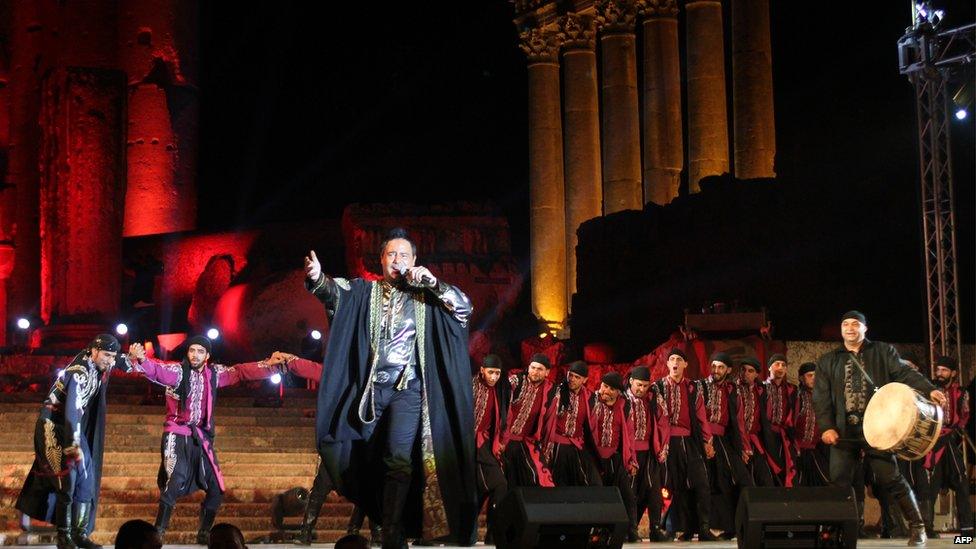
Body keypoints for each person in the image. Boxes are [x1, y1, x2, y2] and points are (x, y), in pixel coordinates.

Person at [303, 227, 477, 549]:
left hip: (407, 392)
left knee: (399, 460)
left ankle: (391, 532)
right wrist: (317, 279)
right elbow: (335, 293)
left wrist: (435, 284)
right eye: (391, 254)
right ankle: (377, 518)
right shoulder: (365, 292)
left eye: (404, 255)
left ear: (414, 261)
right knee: (357, 453)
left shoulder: (426, 298)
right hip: (369, 392)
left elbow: (464, 308)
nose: (397, 260)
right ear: (381, 259)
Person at [126, 337, 286, 545]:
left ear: (207, 356)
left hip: (201, 437)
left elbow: (240, 372)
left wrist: (268, 366)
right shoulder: (177, 372)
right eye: (192, 350)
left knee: (217, 487)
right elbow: (156, 370)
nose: (194, 354)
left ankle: (204, 532)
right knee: (175, 480)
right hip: (177, 433)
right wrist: (141, 359)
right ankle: (159, 530)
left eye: (200, 351)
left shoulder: (214, 375)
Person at [814, 310, 946, 546]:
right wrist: (826, 427)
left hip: (879, 428)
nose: (850, 328)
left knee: (891, 478)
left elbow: (905, 373)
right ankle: (835, 532)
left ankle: (918, 527)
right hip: (844, 430)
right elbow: (821, 398)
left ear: (865, 328)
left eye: (856, 324)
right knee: (839, 481)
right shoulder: (827, 361)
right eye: (845, 324)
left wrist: (929, 389)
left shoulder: (883, 352)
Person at [15, 334, 132, 549]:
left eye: (112, 356)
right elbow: (71, 411)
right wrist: (74, 444)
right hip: (54, 428)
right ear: (93, 351)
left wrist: (132, 358)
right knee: (67, 480)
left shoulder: (98, 364)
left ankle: (80, 534)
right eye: (106, 355)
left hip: (72, 429)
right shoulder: (78, 373)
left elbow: (119, 361)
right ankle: (64, 536)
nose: (109, 360)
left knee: (86, 481)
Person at [655, 348, 717, 541]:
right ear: (667, 364)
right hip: (668, 442)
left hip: (690, 441)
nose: (675, 362)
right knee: (674, 486)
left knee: (701, 483)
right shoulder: (658, 387)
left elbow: (701, 417)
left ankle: (704, 528)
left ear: (685, 365)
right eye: (671, 359)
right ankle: (675, 529)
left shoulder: (693, 387)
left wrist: (707, 441)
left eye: (679, 359)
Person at [700, 352, 752, 539]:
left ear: (728, 370)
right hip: (705, 439)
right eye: (714, 366)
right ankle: (712, 526)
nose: (716, 370)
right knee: (713, 481)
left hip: (725, 440)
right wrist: (706, 440)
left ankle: (737, 525)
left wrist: (744, 447)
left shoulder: (732, 390)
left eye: (721, 367)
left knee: (742, 479)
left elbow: (738, 421)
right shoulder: (701, 386)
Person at [922, 355, 973, 539]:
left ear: (953, 373)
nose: (940, 373)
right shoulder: (930, 389)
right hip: (934, 442)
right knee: (931, 487)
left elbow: (964, 415)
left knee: (961, 484)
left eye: (944, 370)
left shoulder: (961, 392)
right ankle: (926, 529)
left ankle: (966, 533)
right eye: (938, 370)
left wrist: (956, 428)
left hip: (950, 440)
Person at [589, 372, 639, 542]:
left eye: (611, 389)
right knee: (599, 494)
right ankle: (598, 532)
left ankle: (632, 531)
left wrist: (631, 459)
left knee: (627, 495)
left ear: (618, 392)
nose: (606, 391)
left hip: (615, 457)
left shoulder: (625, 406)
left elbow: (630, 435)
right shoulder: (591, 400)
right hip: (594, 457)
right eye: (604, 386)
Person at [625, 365, 669, 542]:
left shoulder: (652, 400)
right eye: (639, 385)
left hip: (649, 452)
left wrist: (662, 448)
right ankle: (631, 529)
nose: (642, 389)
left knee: (653, 491)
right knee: (631, 492)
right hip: (630, 453)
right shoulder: (623, 400)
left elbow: (664, 422)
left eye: (645, 386)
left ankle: (655, 529)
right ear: (630, 382)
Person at [541, 361, 598, 487]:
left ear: (585, 380)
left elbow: (591, 426)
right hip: (556, 446)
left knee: (590, 481)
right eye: (570, 375)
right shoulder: (557, 392)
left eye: (577, 377)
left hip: (576, 446)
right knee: (557, 483)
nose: (572, 379)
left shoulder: (590, 397)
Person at [501, 353, 554, 488]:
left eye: (539, 369)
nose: (535, 372)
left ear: (547, 372)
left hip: (526, 441)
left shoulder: (550, 390)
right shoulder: (516, 381)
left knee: (536, 477)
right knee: (504, 477)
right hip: (504, 439)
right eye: (532, 367)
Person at [472, 354, 509, 543]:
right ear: (482, 370)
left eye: (497, 373)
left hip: (485, 445)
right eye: (491, 372)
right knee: (492, 485)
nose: (494, 377)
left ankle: (492, 534)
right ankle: (487, 534)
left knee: (495, 486)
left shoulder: (498, 390)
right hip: (470, 444)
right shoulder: (471, 386)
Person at [737, 357, 775, 486]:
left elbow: (766, 417)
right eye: (743, 370)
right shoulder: (731, 388)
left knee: (765, 477)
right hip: (735, 441)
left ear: (756, 374)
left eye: (750, 371)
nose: (746, 373)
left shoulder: (761, 391)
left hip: (754, 439)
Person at [762, 354, 796, 487]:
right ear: (769, 367)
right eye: (777, 364)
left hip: (783, 436)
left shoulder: (791, 389)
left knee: (786, 470)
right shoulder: (761, 388)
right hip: (765, 435)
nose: (780, 367)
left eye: (783, 365)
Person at [793, 362, 829, 487]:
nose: (814, 378)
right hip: (798, 451)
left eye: (816, 375)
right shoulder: (797, 397)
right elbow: (790, 423)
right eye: (809, 375)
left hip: (816, 450)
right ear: (801, 378)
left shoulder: (823, 398)